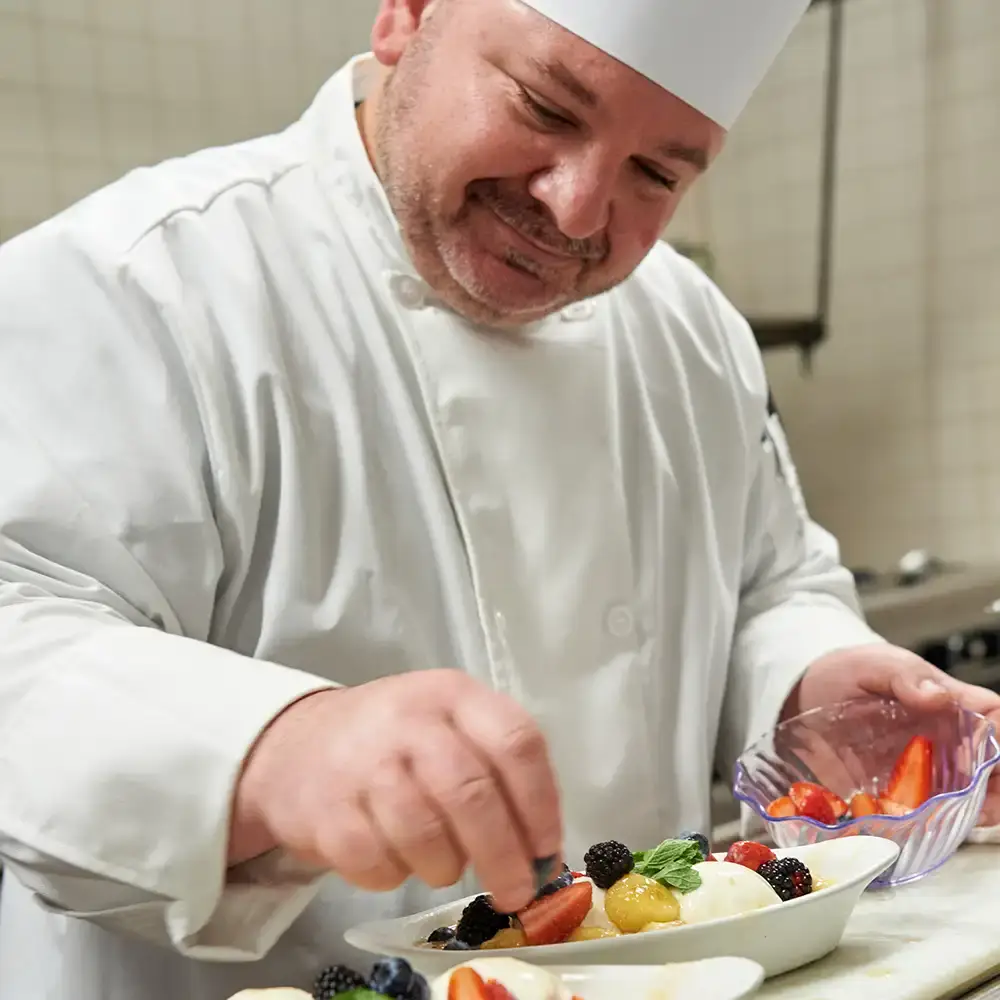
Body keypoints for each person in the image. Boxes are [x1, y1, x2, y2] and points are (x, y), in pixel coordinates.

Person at [0, 0, 998, 996]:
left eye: (657, 173)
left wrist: (813, 683)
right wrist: (265, 747)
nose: (576, 209)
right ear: (405, 16)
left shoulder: (691, 331)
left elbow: (768, 584)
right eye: (543, 106)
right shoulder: (140, 282)